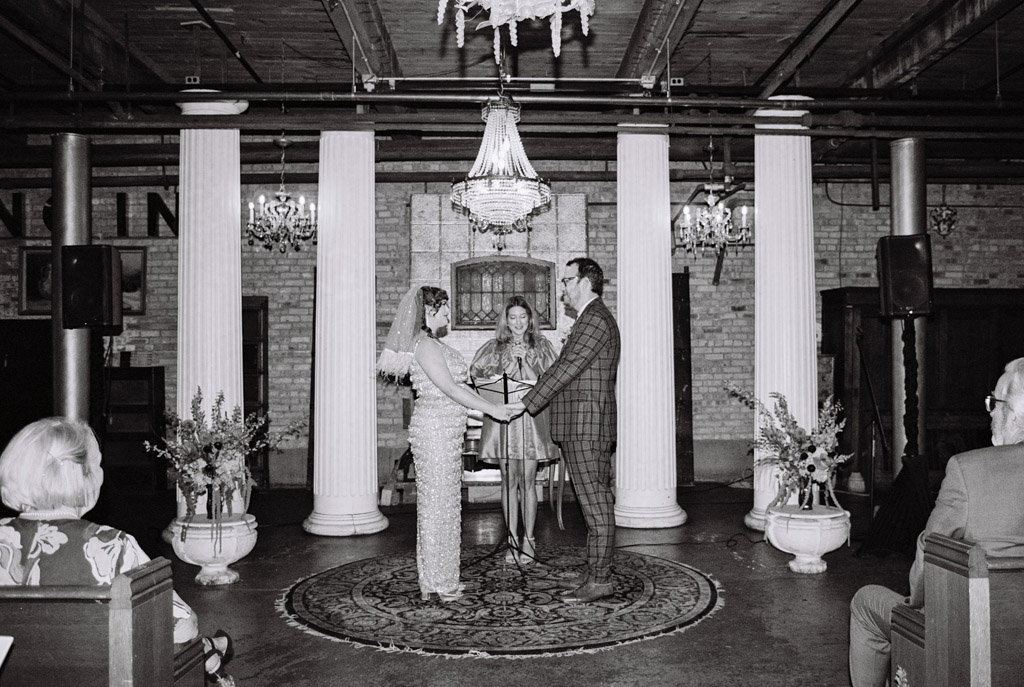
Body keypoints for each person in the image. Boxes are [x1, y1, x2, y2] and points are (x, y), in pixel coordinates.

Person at [0, 417, 236, 686]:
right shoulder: (111, 545)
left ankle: (211, 649)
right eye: (97, 465)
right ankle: (211, 652)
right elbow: (182, 626)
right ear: (83, 477)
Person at [848, 357, 1024, 686]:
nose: (990, 412)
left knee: (866, 601)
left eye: (994, 402)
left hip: (968, 638)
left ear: (1014, 412)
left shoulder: (968, 470)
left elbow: (927, 560)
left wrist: (913, 608)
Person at [377, 285, 511, 602]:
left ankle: (442, 578)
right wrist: (492, 409)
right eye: (446, 309)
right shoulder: (424, 345)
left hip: (448, 432)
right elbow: (450, 388)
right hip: (434, 431)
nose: (449, 314)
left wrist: (492, 402)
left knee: (446, 506)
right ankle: (437, 581)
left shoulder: (433, 344)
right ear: (429, 310)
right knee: (437, 507)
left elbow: (460, 388)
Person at [507, 257, 620, 604]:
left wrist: (525, 402)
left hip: (587, 427)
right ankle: (596, 571)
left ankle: (600, 579)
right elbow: (563, 369)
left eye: (567, 281)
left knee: (595, 504)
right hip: (583, 425)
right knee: (592, 504)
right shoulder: (590, 318)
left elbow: (567, 369)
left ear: (585, 282)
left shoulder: (595, 319)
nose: (563, 289)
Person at [470, 296, 559, 565]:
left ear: (530, 319)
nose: (518, 322)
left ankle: (529, 540)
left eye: (523, 317)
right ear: (505, 321)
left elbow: (553, 380)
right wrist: (500, 368)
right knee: (509, 482)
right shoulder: (494, 348)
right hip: (503, 419)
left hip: (531, 418)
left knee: (529, 482)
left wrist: (527, 362)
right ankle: (511, 540)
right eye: (512, 318)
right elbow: (477, 378)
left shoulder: (543, 347)